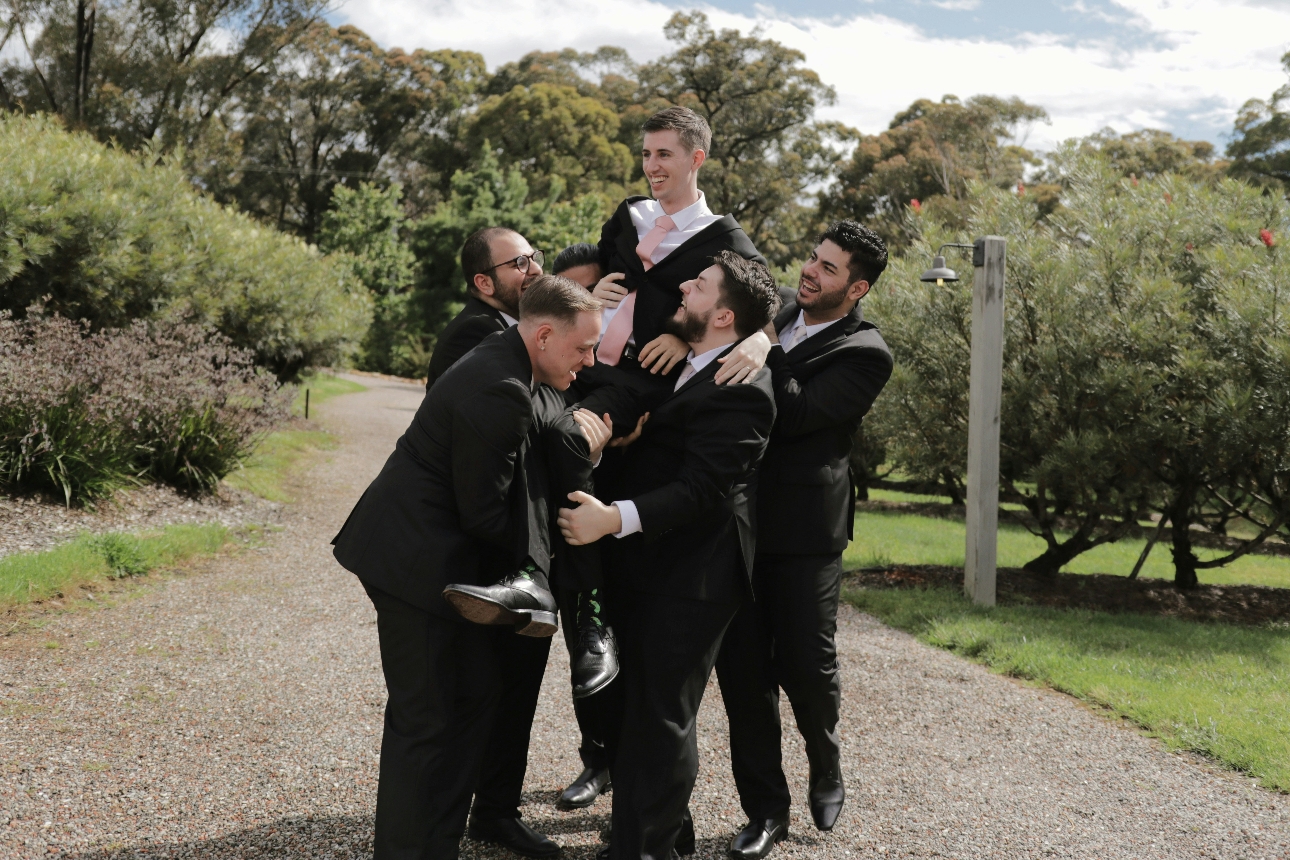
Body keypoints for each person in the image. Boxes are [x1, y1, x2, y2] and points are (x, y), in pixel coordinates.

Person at [332, 276, 603, 860]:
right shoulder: (502, 387)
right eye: (583, 348)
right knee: (427, 724)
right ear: (545, 336)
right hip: (416, 563)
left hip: (439, 557)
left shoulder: (512, 359)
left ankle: (439, 842)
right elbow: (485, 515)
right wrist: (538, 569)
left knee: (471, 703)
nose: (589, 360)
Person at [558, 251, 781, 860]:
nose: (684, 285)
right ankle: (663, 835)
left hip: (695, 575)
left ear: (724, 316)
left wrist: (612, 519)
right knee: (639, 708)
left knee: (661, 715)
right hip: (654, 563)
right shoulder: (688, 364)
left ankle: (643, 850)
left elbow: (702, 489)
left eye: (700, 285)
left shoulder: (744, 390)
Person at [714, 221, 893, 859]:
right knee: (742, 672)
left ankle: (825, 757)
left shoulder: (866, 352)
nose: (810, 271)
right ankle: (766, 811)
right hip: (737, 523)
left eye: (829, 267)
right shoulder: (780, 310)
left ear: (857, 288)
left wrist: (763, 344)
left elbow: (797, 414)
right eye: (814, 258)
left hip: (805, 533)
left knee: (806, 665)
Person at [425, 227, 544, 388]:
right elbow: (524, 399)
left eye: (534, 258)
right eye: (520, 263)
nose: (537, 270)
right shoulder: (474, 333)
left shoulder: (511, 326)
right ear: (485, 283)